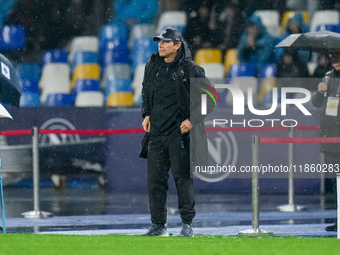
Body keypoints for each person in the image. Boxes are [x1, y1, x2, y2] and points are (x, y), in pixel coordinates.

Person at [140, 27, 214, 237]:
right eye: (159, 41)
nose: (160, 45)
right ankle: (158, 225)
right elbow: (145, 91)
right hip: (156, 134)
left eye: (165, 41)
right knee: (155, 181)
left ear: (177, 45)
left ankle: (187, 224)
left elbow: (212, 99)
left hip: (179, 134)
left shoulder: (191, 69)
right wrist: (146, 114)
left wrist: (192, 120)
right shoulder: (151, 65)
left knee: (183, 180)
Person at [312, 49, 340, 232]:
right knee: (335, 179)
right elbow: (316, 103)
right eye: (332, 57)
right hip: (331, 133)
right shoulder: (328, 75)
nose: (334, 60)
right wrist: (320, 92)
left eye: (338, 56)